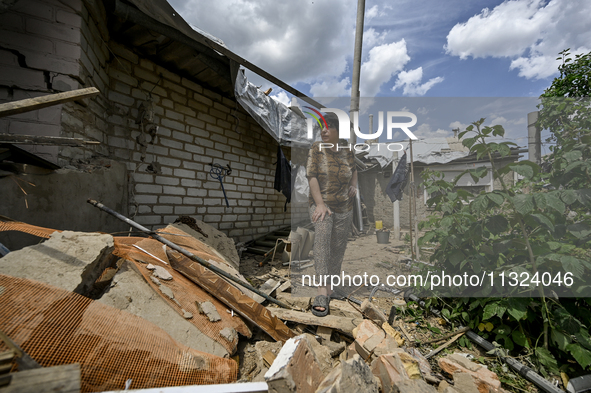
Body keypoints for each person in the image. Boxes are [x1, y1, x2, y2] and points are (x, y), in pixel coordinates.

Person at [306, 113, 357, 317]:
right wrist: (319, 204)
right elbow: (311, 175)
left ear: (338, 130)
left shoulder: (348, 150)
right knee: (322, 242)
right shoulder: (316, 149)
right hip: (322, 204)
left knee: (338, 246)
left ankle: (332, 287)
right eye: (322, 127)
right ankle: (321, 291)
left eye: (328, 127)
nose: (324, 130)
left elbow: (354, 170)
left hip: (345, 205)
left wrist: (353, 185)